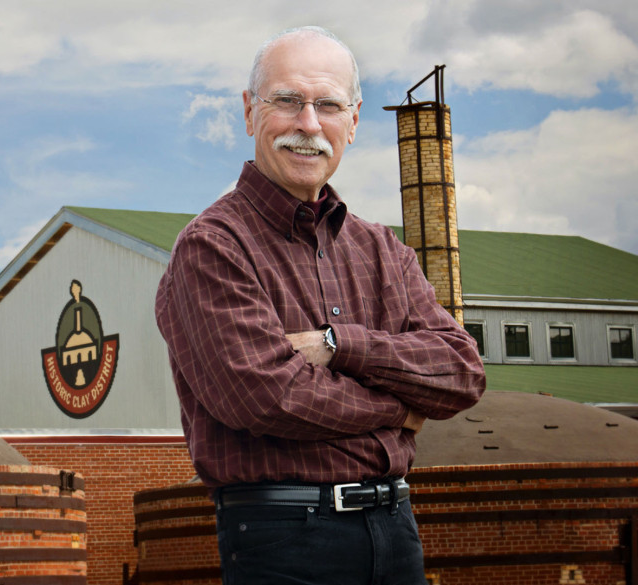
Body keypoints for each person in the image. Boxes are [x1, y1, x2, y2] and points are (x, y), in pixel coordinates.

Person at [154, 26, 485, 585]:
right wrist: (399, 410)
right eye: (287, 101)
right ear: (248, 111)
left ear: (353, 122)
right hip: (283, 533)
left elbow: (461, 371)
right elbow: (266, 397)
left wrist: (340, 347)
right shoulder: (212, 246)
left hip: (396, 527)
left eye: (327, 105)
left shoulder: (384, 249)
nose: (308, 125)